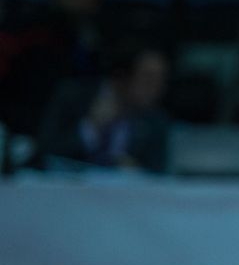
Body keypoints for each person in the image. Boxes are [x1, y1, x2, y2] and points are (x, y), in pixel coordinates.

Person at [37, 41, 172, 173]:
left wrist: (137, 171)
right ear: (121, 76)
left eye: (161, 80)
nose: (157, 88)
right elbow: (44, 153)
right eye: (148, 79)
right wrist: (90, 127)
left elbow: (159, 173)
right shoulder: (73, 97)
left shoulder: (156, 119)